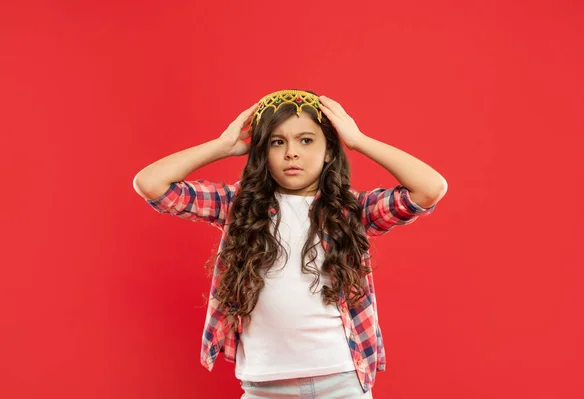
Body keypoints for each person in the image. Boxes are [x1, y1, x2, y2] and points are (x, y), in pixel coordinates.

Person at [133, 89, 448, 398]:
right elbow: (152, 185)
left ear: (329, 150)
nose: (291, 153)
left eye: (306, 140)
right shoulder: (236, 206)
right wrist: (222, 146)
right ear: (262, 151)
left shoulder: (350, 210)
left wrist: (358, 141)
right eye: (277, 142)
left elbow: (429, 189)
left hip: (340, 383)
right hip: (264, 386)